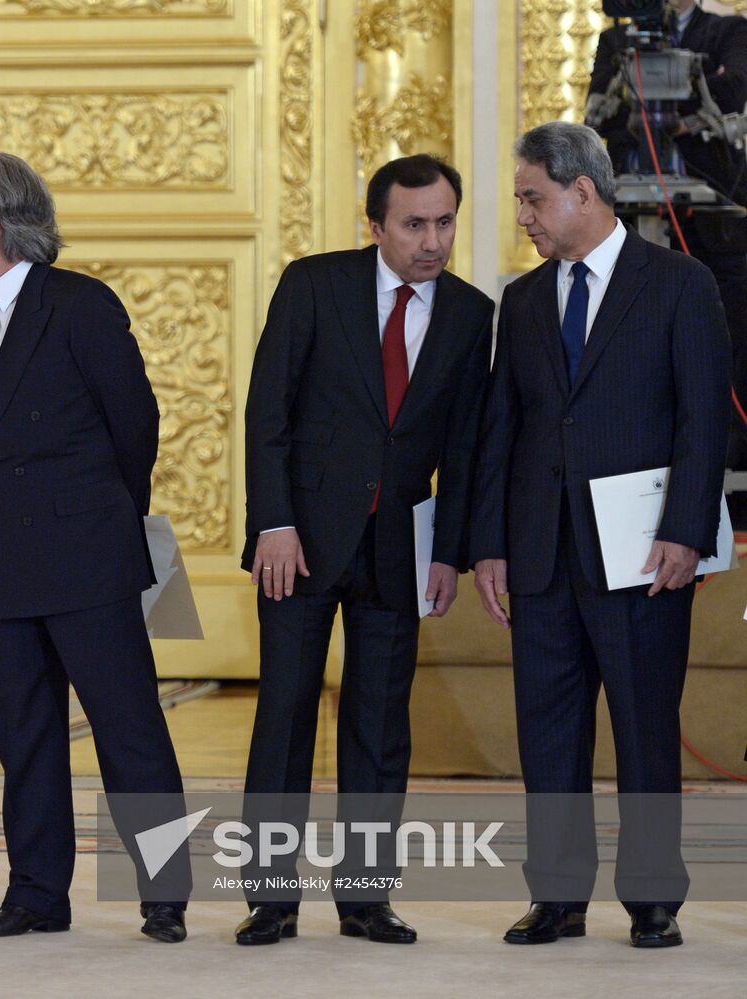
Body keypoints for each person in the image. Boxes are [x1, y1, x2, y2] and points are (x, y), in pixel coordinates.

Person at [471, 121, 731, 948]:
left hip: (643, 555)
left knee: (645, 728)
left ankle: (653, 898)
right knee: (548, 734)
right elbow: (500, 431)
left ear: (583, 191)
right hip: (541, 556)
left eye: (532, 198)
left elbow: (704, 423)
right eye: (520, 200)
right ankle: (558, 896)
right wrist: (491, 544)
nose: (523, 216)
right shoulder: (521, 299)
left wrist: (687, 530)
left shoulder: (681, 285)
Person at [236, 154, 494, 946]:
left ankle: (365, 897)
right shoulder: (314, 284)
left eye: (445, 221)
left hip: (398, 550)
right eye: (414, 224)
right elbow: (266, 412)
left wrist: (447, 553)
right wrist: (272, 523)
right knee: (284, 715)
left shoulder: (468, 311)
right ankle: (271, 898)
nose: (433, 240)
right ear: (376, 225)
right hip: (301, 542)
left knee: (381, 724)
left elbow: (465, 446)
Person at [0, 152, 190, 943]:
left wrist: (103, 519)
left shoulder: (81, 304)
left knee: (128, 727)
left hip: (87, 553)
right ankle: (37, 893)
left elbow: (134, 428)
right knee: (24, 732)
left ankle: (165, 892)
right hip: (7, 557)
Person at [588, 0, 747, 517]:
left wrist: (681, 101)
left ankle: (727, 472)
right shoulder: (618, 39)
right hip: (635, 215)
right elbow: (598, 115)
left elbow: (733, 91)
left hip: (714, 220)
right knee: (639, 343)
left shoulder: (726, 31)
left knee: (722, 343)